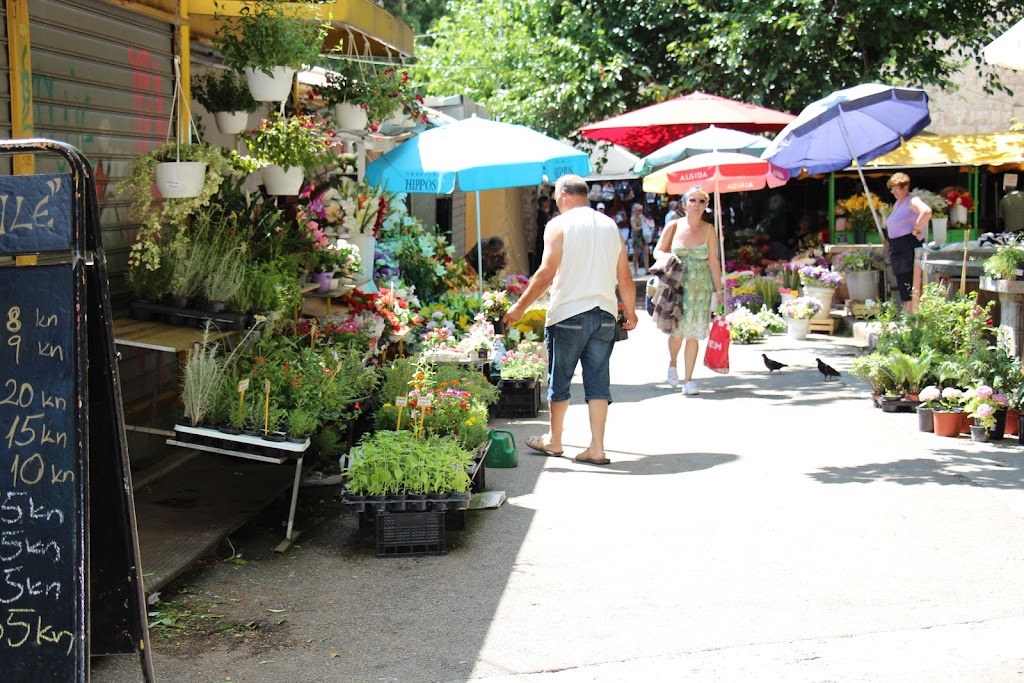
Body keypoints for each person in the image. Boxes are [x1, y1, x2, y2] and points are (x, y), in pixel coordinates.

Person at [504, 174, 637, 466]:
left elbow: (546, 272)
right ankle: (597, 448)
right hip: (604, 315)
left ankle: (554, 440)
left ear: (563, 195)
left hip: (567, 315)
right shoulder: (609, 225)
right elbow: (624, 277)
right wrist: (631, 310)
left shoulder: (558, 225)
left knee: (559, 380)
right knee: (598, 382)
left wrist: (519, 308)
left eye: (554, 196)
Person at [651, 186, 724, 395]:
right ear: (684, 204)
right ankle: (672, 363)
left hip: (700, 288)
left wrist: (719, 292)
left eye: (702, 201)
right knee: (677, 333)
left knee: (693, 334)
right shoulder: (673, 226)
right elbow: (657, 250)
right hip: (678, 285)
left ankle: (689, 380)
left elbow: (713, 261)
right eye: (692, 200)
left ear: (706, 206)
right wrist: (667, 258)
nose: (696, 205)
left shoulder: (709, 230)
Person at [885, 172, 931, 312]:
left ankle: (911, 311)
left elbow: (926, 211)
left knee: (909, 277)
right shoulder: (897, 204)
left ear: (905, 187)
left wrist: (916, 228)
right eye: (892, 189)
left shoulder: (912, 200)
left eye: (897, 188)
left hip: (908, 243)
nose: (894, 192)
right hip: (896, 245)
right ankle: (907, 309)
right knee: (901, 277)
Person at [532, 195, 552, 272]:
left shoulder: (544, 213)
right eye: (547, 202)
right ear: (542, 203)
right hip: (541, 237)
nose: (549, 203)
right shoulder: (541, 214)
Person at [629, 203, 649, 275]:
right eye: (639, 210)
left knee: (646, 252)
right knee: (636, 253)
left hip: (643, 236)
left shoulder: (642, 217)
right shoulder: (633, 219)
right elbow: (635, 228)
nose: (640, 212)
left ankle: (647, 269)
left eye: (641, 210)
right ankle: (635, 270)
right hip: (636, 237)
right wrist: (642, 227)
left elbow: (647, 223)